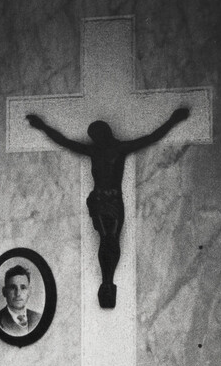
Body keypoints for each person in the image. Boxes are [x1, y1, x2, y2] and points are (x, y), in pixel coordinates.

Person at [26, 106, 191, 308]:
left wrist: (174, 120)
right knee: (106, 238)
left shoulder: (120, 149)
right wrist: (42, 126)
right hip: (99, 200)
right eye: (93, 137)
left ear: (105, 133)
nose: (95, 140)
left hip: (114, 201)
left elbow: (152, 138)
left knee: (111, 238)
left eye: (96, 136)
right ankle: (106, 283)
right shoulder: (94, 151)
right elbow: (64, 142)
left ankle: (108, 282)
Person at [0, 264, 42, 336]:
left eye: (23, 288)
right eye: (12, 288)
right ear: (4, 292)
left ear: (29, 292)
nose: (18, 294)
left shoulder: (38, 318)